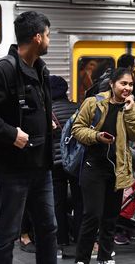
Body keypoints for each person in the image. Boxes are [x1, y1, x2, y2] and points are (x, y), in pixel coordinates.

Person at [0, 11, 57, 264]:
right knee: (5, 235)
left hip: (42, 168)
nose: (49, 40)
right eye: (48, 35)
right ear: (37, 38)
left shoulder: (41, 70)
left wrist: (48, 121)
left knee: (48, 230)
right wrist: (12, 134)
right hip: (13, 171)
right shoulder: (4, 71)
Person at [72, 67, 135, 264]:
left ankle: (105, 257)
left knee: (111, 218)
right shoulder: (94, 103)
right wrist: (96, 136)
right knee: (92, 215)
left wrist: (130, 111)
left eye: (130, 84)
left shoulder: (131, 106)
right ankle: (82, 259)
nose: (127, 88)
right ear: (112, 84)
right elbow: (77, 129)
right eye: (123, 83)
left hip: (117, 169)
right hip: (93, 166)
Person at [50, 75, 82, 257]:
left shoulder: (48, 111)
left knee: (58, 201)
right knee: (79, 200)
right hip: (75, 162)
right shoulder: (77, 108)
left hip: (55, 164)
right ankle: (79, 235)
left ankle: (61, 237)